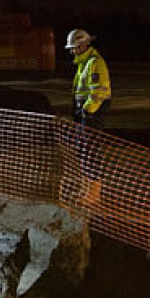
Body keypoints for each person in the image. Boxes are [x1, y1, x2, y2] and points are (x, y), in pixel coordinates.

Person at [66, 28, 112, 204]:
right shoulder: (83, 64)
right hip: (84, 114)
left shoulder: (95, 63)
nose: (72, 51)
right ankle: (87, 191)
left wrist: (88, 110)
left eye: (74, 47)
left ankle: (94, 195)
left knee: (90, 153)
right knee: (83, 152)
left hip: (92, 114)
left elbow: (98, 91)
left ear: (83, 45)